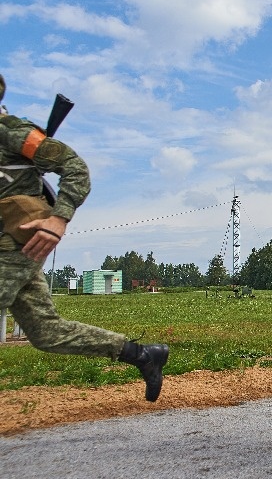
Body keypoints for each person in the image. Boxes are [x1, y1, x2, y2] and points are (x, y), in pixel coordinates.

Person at [0, 74, 168, 401]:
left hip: (19, 240)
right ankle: (143, 355)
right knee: (46, 333)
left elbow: (75, 167)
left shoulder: (12, 133)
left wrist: (59, 218)